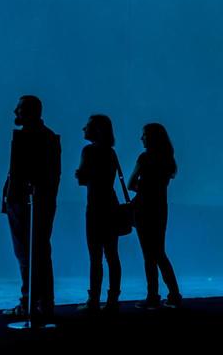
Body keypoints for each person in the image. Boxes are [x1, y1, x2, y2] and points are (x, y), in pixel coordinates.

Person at [1, 95, 60, 322]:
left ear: (28, 112)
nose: (15, 113)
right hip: (37, 203)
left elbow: (22, 173)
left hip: (26, 204)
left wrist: (13, 197)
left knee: (27, 253)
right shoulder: (49, 138)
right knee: (41, 253)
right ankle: (43, 303)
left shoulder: (30, 138)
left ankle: (30, 303)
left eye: (18, 109)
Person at [130, 123, 182, 309]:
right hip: (160, 208)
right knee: (159, 252)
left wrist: (142, 188)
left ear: (151, 137)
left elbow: (130, 183)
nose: (141, 138)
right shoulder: (167, 160)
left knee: (148, 255)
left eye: (144, 135)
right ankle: (174, 294)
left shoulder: (144, 158)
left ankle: (153, 295)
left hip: (143, 208)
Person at [74, 114, 123, 313]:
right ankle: (112, 299)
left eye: (87, 126)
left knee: (95, 256)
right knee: (112, 255)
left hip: (95, 208)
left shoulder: (89, 151)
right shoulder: (111, 153)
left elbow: (82, 178)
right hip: (111, 205)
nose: (83, 129)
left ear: (95, 130)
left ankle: (93, 299)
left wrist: (80, 174)